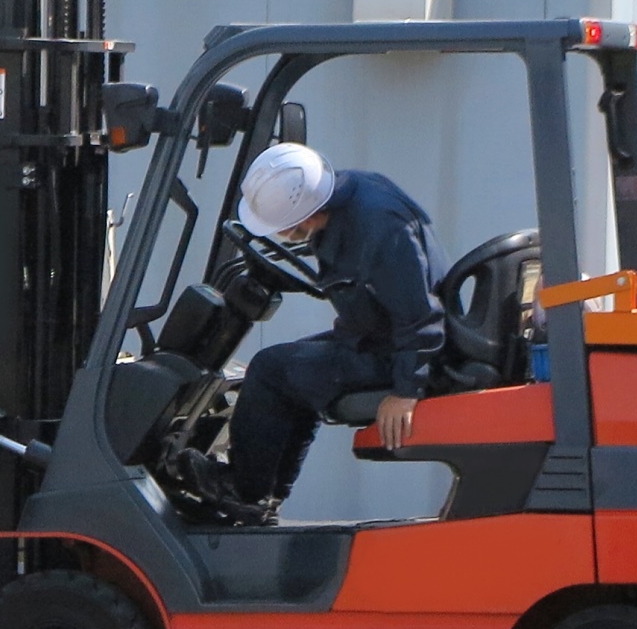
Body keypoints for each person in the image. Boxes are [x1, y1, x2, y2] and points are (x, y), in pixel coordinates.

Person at [179, 143, 448, 525]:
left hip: (406, 355)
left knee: (269, 369)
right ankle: (265, 496)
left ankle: (245, 490)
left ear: (302, 216)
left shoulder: (380, 227)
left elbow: (420, 315)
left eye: (281, 227)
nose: (282, 234)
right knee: (290, 369)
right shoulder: (348, 201)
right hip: (377, 338)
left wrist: (406, 390)